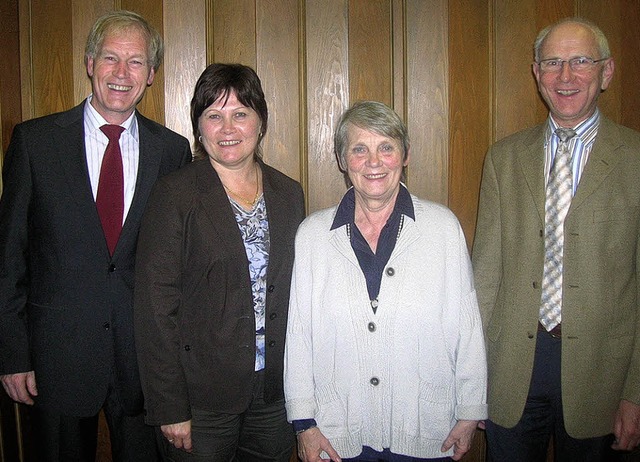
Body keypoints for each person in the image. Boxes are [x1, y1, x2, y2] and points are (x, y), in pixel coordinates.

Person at [0, 9, 192, 462]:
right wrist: (12, 354)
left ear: (150, 75)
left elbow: (177, 266)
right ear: (89, 63)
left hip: (142, 364)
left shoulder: (172, 151)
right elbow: (9, 258)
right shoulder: (35, 143)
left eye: (136, 62)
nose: (122, 73)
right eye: (110, 58)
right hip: (54, 361)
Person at [472, 17, 640, 461]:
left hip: (604, 374)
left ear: (606, 72)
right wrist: (471, 379)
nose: (566, 76)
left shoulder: (635, 159)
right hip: (511, 370)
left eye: (580, 61)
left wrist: (636, 393)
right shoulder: (504, 159)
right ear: (536, 73)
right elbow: (485, 277)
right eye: (552, 63)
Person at [283, 100, 487, 462]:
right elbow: (299, 336)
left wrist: (471, 409)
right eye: (360, 149)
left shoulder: (442, 229)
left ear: (405, 155)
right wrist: (304, 424)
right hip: (338, 431)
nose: (374, 162)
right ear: (343, 160)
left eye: (386, 148)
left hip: (426, 428)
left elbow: (467, 327)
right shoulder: (312, 235)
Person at [134, 63, 305, 461]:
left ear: (260, 122)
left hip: (273, 397)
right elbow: (155, 309)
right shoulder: (174, 194)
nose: (228, 129)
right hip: (201, 403)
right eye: (214, 116)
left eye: (240, 114)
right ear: (198, 127)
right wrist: (169, 406)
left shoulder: (288, 193)